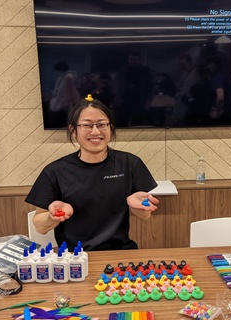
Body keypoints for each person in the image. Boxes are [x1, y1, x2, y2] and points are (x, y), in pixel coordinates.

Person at [25, 95, 159, 251]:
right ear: (73, 130)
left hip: (120, 253)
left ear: (111, 128)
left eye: (102, 124)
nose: (95, 131)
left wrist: (137, 206)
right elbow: (40, 227)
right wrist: (53, 216)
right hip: (75, 257)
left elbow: (145, 216)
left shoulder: (129, 163)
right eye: (87, 125)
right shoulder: (55, 171)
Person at [116, 51, 154, 126]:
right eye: (131, 59)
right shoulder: (123, 70)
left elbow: (151, 86)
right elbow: (118, 84)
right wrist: (118, 97)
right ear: (128, 60)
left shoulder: (146, 71)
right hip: (125, 99)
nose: (133, 61)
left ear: (139, 60)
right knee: (121, 122)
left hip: (140, 99)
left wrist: (149, 100)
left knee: (137, 123)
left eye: (135, 60)